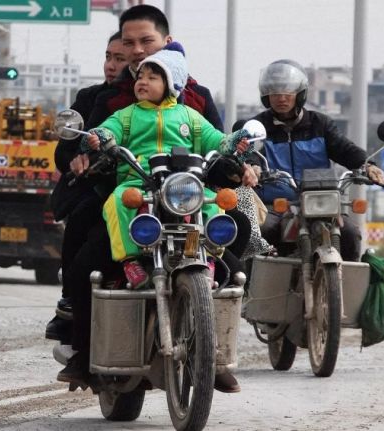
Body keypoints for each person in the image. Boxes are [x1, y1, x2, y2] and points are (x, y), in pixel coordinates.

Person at [58, 4, 243, 393]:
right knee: (85, 259)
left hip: (185, 196)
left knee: (238, 248)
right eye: (130, 43)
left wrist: (241, 165)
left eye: (147, 42)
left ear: (167, 44)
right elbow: (90, 140)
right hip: (127, 193)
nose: (138, 52)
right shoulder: (109, 100)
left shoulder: (196, 100)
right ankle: (82, 349)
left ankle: (212, 350)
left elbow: (218, 147)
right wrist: (88, 154)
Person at [83, 42, 252, 288]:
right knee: (117, 201)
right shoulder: (126, 115)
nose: (142, 81)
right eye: (140, 76)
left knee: (214, 205)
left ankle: (211, 258)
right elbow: (110, 130)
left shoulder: (190, 116)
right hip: (139, 182)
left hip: (186, 186)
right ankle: (130, 261)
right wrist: (102, 135)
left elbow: (215, 138)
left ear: (172, 84)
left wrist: (231, 143)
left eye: (152, 77)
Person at [243, 59, 384, 261]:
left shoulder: (320, 124)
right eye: (275, 93)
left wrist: (367, 166)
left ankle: (349, 290)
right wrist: (253, 167)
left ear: (299, 94)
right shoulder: (258, 126)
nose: (281, 98)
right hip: (275, 205)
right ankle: (250, 287)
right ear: (267, 96)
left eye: (287, 93)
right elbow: (249, 151)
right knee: (260, 230)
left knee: (350, 234)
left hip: (320, 201)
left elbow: (344, 149)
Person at [46, 31, 128, 342]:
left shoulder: (189, 98)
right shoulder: (96, 98)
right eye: (109, 56)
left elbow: (211, 138)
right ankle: (72, 307)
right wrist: (79, 157)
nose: (111, 64)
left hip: (168, 193)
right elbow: (66, 149)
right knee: (83, 221)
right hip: (107, 190)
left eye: (119, 58)